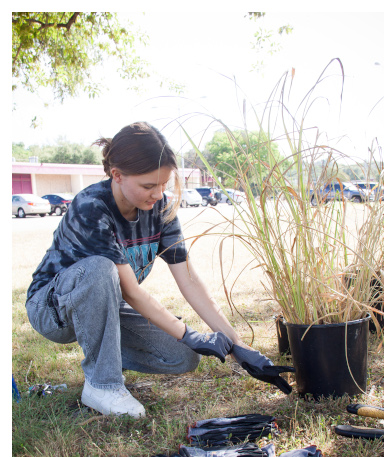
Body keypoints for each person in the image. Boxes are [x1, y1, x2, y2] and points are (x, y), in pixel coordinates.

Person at [25, 122, 283, 419]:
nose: (159, 194)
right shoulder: (91, 207)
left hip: (108, 306)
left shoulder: (160, 209)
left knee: (182, 356)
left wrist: (238, 347)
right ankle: (103, 384)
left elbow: (189, 281)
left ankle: (103, 358)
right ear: (117, 175)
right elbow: (132, 293)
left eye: (163, 185)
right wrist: (191, 332)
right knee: (100, 268)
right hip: (53, 310)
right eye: (149, 186)